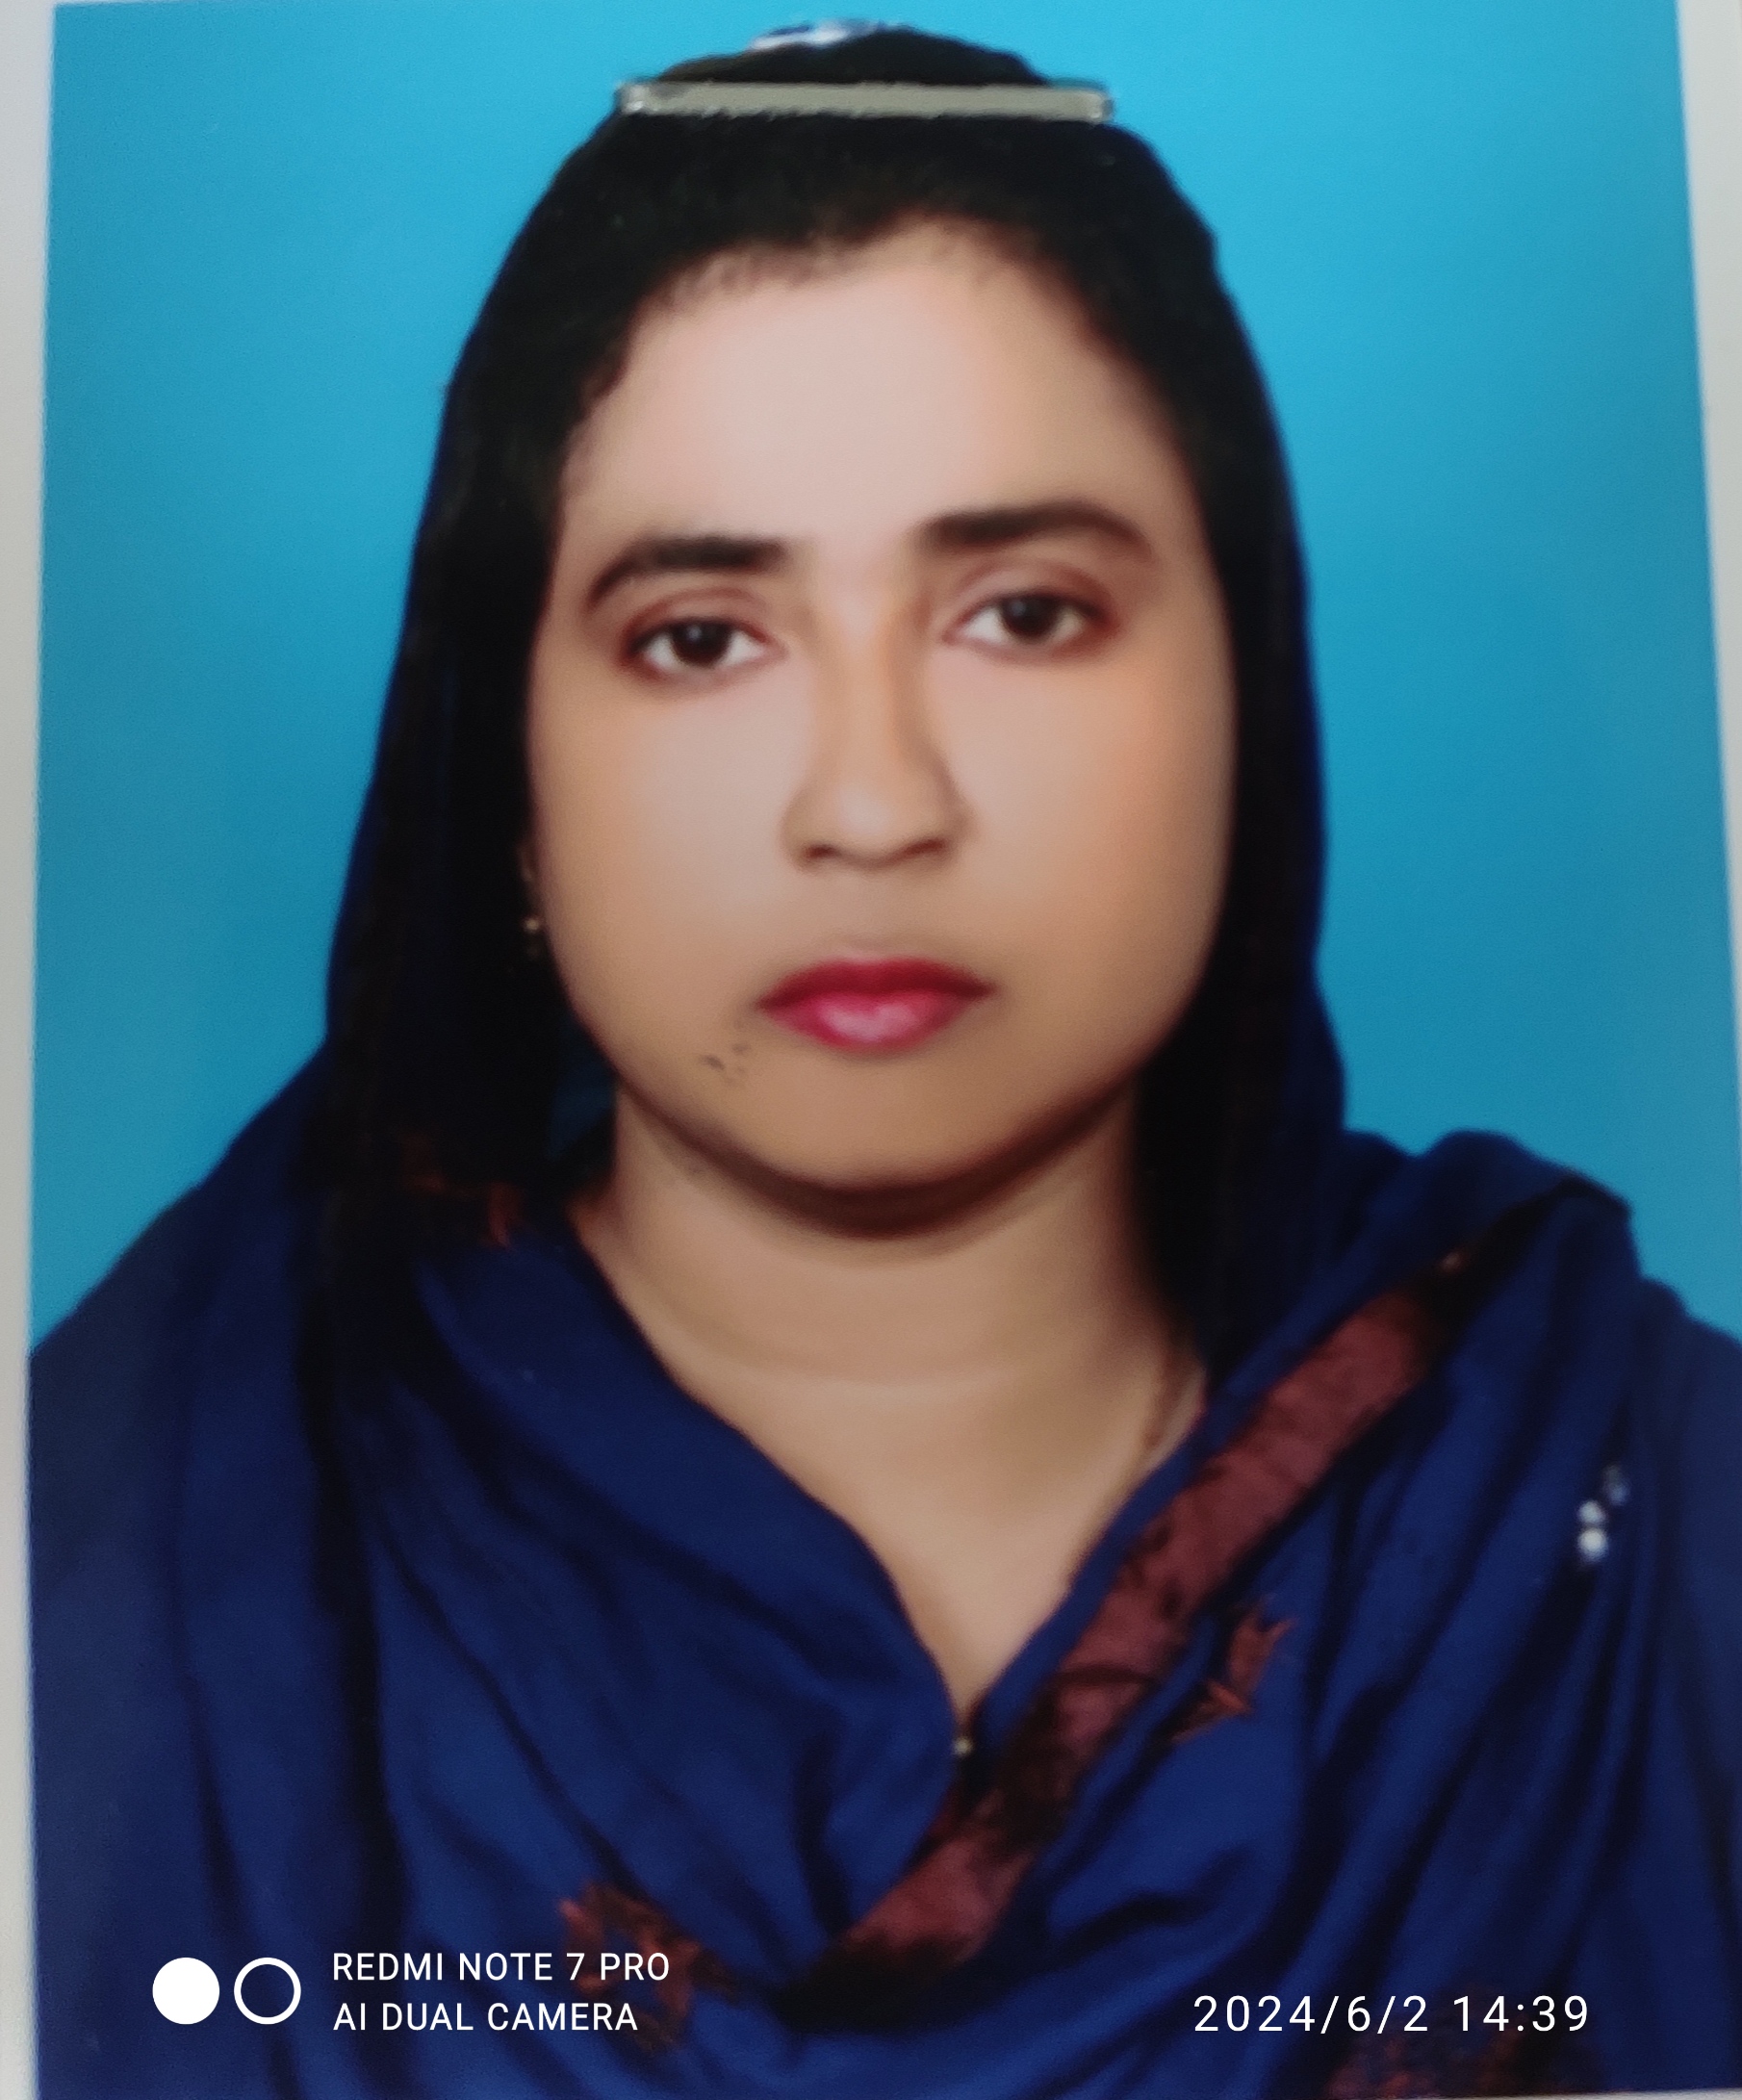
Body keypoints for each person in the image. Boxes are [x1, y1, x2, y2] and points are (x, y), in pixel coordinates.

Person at [30, 24, 1742, 2100]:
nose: (868, 802)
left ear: (1244, 692)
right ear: (510, 783)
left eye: (1019, 613)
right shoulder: (121, 1549)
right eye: (699, 635)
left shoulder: (1640, 1522)